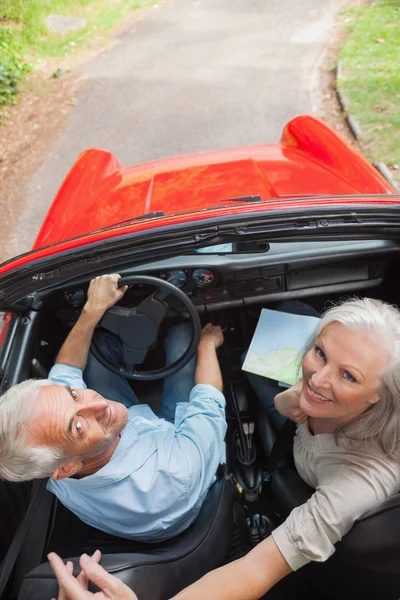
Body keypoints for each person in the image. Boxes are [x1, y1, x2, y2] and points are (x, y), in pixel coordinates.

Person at [167, 297, 400, 600]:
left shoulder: (359, 480)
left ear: (377, 397)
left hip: (308, 468)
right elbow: (298, 393)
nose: (317, 379)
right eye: (320, 352)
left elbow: (255, 569)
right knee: (260, 347)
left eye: (348, 375)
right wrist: (292, 402)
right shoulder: (327, 388)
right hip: (298, 440)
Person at [0, 274, 227, 542]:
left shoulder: (53, 454)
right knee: (183, 337)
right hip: (176, 441)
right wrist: (208, 344)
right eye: (78, 426)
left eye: (74, 394)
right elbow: (208, 401)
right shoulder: (176, 473)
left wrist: (92, 310)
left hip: (128, 436)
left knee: (98, 353)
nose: (98, 401)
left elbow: (65, 372)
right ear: (67, 469)